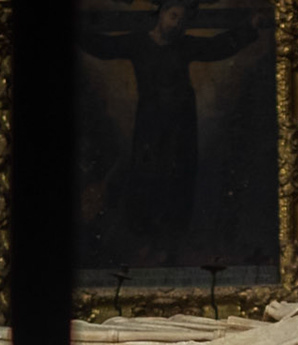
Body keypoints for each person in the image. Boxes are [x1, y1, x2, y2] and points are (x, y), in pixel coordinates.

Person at [78, 1, 271, 264]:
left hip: (181, 127)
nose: (177, 24)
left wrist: (250, 27)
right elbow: (104, 47)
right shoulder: (137, 43)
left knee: (177, 181)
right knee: (147, 178)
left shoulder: (185, 45)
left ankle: (168, 245)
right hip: (150, 127)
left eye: (183, 20)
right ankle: (148, 240)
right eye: (173, 16)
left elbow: (216, 47)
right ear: (161, 13)